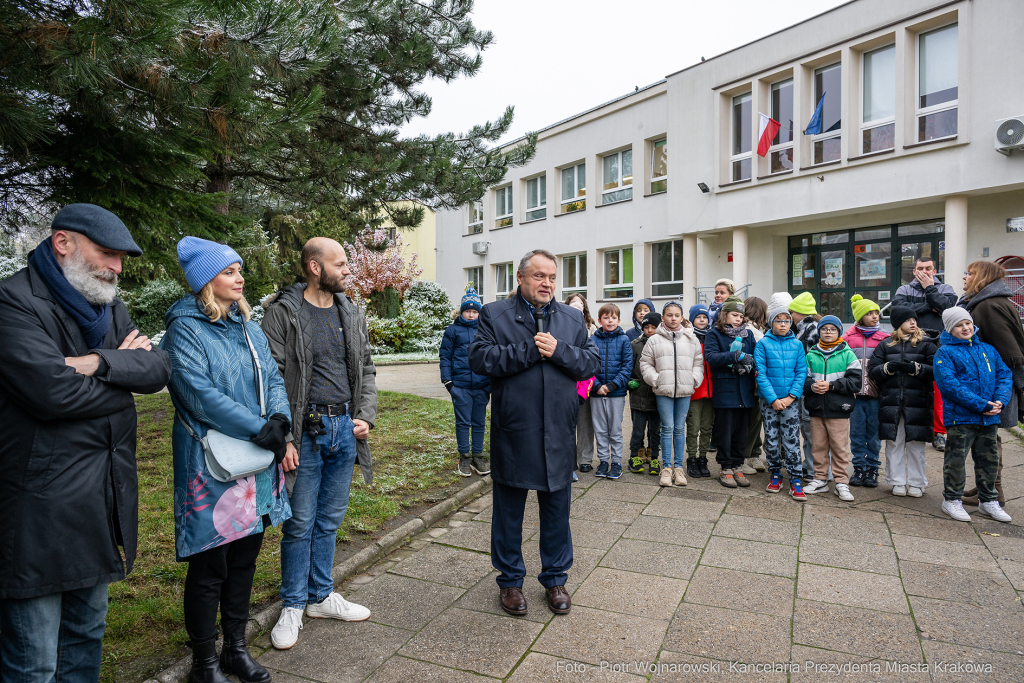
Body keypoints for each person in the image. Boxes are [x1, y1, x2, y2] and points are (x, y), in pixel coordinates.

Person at [0, 204, 171, 683]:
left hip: (99, 503)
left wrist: (94, 362)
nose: (117, 268)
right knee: (33, 662)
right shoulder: (13, 302)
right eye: (108, 254)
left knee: (85, 637)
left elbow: (159, 369)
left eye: (120, 258)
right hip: (38, 511)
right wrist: (121, 372)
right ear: (63, 243)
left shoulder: (106, 303)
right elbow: (50, 393)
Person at [162, 237, 292, 683]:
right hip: (211, 463)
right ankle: (204, 662)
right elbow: (198, 394)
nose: (240, 278)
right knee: (209, 564)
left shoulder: (247, 324)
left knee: (245, 558)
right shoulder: (184, 328)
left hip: (256, 458)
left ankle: (235, 648)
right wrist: (259, 428)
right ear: (205, 282)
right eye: (229, 271)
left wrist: (279, 418)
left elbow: (274, 376)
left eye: (240, 270)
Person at [260, 237, 379, 650]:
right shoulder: (282, 313)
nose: (348, 270)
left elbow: (366, 367)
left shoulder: (350, 311)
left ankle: (320, 596)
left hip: (345, 429)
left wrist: (364, 414)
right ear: (315, 267)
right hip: (304, 435)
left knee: (329, 520)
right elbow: (270, 378)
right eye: (341, 263)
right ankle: (293, 604)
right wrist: (285, 437)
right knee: (299, 523)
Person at [469, 250, 600, 617]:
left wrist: (558, 351)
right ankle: (510, 582)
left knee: (557, 512)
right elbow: (480, 360)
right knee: (508, 513)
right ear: (520, 277)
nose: (547, 283)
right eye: (539, 276)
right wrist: (529, 349)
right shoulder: (495, 314)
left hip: (558, 431)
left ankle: (555, 578)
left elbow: (590, 362)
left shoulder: (573, 318)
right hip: (515, 429)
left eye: (552, 277)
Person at [933, 307, 1012, 523]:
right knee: (956, 460)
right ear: (950, 329)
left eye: (967, 323)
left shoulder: (987, 349)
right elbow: (949, 385)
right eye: (959, 325)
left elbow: (1004, 375)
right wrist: (980, 404)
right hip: (961, 418)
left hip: (988, 417)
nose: (965, 328)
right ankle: (952, 500)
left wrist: (1000, 401)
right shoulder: (945, 353)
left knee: (989, 460)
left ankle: (988, 501)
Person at [957, 261, 1024, 506]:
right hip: (990, 383)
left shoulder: (988, 306)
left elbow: (1008, 352)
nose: (965, 277)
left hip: (992, 386)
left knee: (988, 438)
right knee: (987, 436)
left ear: (982, 277)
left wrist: (997, 389)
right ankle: (986, 485)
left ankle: (994, 491)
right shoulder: (988, 302)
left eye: (970, 273)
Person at [868, 306, 937, 499]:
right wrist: (887, 368)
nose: (913, 323)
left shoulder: (926, 344)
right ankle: (896, 481)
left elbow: (937, 371)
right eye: (908, 320)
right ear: (898, 324)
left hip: (918, 402)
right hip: (891, 402)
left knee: (916, 444)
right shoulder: (886, 345)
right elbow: (873, 370)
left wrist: (917, 368)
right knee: (894, 442)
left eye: (914, 319)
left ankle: (917, 482)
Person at [892, 256, 957, 452]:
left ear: (935, 271)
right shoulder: (903, 290)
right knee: (913, 388)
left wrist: (930, 290)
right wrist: (931, 306)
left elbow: (949, 310)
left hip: (939, 344)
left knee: (938, 391)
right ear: (914, 271)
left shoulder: (946, 289)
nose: (924, 272)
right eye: (920, 268)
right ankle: (913, 431)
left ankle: (940, 433)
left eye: (928, 268)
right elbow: (898, 313)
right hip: (910, 344)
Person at [640, 303, 703, 487]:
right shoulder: (654, 340)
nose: (673, 318)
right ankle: (666, 468)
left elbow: (698, 362)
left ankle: (678, 468)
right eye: (669, 315)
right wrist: (655, 379)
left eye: (677, 315)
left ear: (682, 317)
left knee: (679, 428)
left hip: (684, 389)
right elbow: (645, 363)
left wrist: (694, 379)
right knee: (667, 428)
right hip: (664, 390)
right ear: (663, 317)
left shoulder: (691, 338)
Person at [802, 316, 862, 501]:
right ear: (819, 331)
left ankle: (841, 482)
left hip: (839, 409)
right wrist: (812, 386)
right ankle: (819, 479)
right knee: (818, 446)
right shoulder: (811, 354)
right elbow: (803, 379)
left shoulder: (847, 354)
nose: (828, 332)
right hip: (816, 408)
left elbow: (856, 382)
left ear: (839, 332)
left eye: (832, 329)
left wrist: (832, 386)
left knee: (839, 447)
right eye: (824, 328)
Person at [753, 305, 807, 500]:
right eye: (779, 320)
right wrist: (773, 399)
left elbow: (801, 372)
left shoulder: (797, 345)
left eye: (786, 321)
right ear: (771, 322)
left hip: (790, 402)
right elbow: (761, 373)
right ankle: (775, 473)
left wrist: (791, 397)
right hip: (769, 403)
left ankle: (795, 479)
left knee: (792, 441)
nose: (783, 324)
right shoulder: (763, 344)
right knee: (773, 440)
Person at [704, 296, 758, 488]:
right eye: (734, 315)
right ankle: (725, 467)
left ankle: (737, 465)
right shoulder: (714, 334)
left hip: (745, 389)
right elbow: (711, 358)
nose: (738, 319)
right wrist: (735, 355)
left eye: (741, 316)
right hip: (725, 390)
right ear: (724, 315)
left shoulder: (748, 335)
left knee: (741, 431)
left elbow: (754, 355)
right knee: (725, 431)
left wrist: (750, 362)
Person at [439, 287, 491, 476]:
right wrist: (448, 382)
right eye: (468, 311)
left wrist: (489, 382)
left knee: (479, 422)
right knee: (463, 422)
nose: (471, 315)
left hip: (481, 385)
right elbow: (445, 357)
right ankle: (464, 457)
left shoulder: (485, 330)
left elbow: (491, 356)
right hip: (460, 386)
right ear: (461, 311)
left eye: (475, 311)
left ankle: (478, 456)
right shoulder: (452, 331)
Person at [843, 295, 889, 488]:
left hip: (876, 395)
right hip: (855, 395)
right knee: (857, 433)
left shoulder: (885, 338)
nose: (875, 316)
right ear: (860, 317)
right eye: (869, 313)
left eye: (876, 312)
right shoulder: (848, 338)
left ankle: (872, 468)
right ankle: (859, 467)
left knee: (874, 435)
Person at [590, 303, 633, 479]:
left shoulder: (624, 340)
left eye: (613, 317)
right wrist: (598, 386)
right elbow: (588, 365)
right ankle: (603, 461)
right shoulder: (592, 340)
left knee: (615, 430)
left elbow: (627, 366)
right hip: (596, 393)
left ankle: (616, 462)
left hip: (616, 393)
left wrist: (612, 385)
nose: (610, 320)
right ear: (599, 320)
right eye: (606, 317)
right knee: (600, 429)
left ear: (619, 320)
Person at [788, 291, 820, 479]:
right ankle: (809, 465)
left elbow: (808, 361)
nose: (790, 316)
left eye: (792, 312)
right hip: (804, 385)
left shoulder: (811, 330)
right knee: (807, 427)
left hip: (809, 386)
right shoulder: (803, 328)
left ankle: (813, 467)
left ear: (800, 313)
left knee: (810, 428)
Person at [627, 312, 662, 475]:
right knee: (638, 430)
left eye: (653, 327)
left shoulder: (663, 344)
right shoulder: (635, 344)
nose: (650, 330)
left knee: (655, 431)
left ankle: (654, 457)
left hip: (657, 396)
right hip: (638, 395)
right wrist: (631, 382)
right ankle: (634, 455)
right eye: (646, 327)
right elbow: (629, 366)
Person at [566, 293, 597, 473]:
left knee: (585, 423)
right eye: (573, 304)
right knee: (567, 423)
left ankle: (585, 458)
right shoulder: (559, 325)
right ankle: (568, 460)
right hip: (567, 380)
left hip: (586, 382)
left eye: (580, 304)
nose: (577, 307)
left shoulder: (592, 330)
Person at [685, 304, 714, 479]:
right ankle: (692, 458)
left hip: (711, 391)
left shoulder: (712, 337)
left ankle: (703, 458)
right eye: (698, 317)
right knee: (693, 427)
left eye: (704, 317)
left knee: (706, 427)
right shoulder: (688, 337)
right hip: (695, 390)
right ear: (692, 319)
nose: (702, 320)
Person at [740, 296, 768, 474]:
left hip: (755, 382)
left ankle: (754, 454)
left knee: (756, 420)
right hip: (754, 383)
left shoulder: (757, 329)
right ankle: (744, 456)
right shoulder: (751, 330)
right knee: (752, 420)